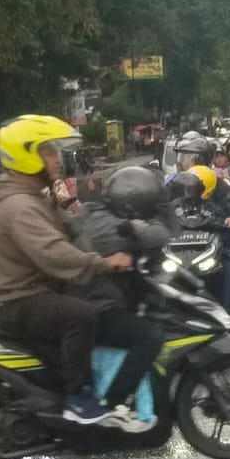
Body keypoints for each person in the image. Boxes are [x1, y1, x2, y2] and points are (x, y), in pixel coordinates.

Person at [0, 115, 133, 425]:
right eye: (49, 152)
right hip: (14, 299)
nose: (58, 159)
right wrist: (102, 262)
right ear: (26, 155)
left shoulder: (33, 198)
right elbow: (54, 252)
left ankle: (55, 397)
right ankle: (79, 399)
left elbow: (69, 226)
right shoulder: (20, 206)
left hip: (25, 293)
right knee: (81, 316)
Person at [67, 166, 175, 432]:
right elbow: (157, 235)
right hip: (95, 305)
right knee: (150, 336)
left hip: (101, 299)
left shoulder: (104, 215)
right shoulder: (107, 226)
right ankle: (114, 402)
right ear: (135, 205)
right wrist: (140, 227)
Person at [172, 166, 230, 314]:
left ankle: (229, 314)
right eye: (186, 185)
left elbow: (229, 230)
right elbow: (163, 218)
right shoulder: (175, 204)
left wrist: (229, 220)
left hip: (209, 254)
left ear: (204, 188)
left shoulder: (214, 208)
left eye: (193, 186)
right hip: (178, 253)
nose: (188, 189)